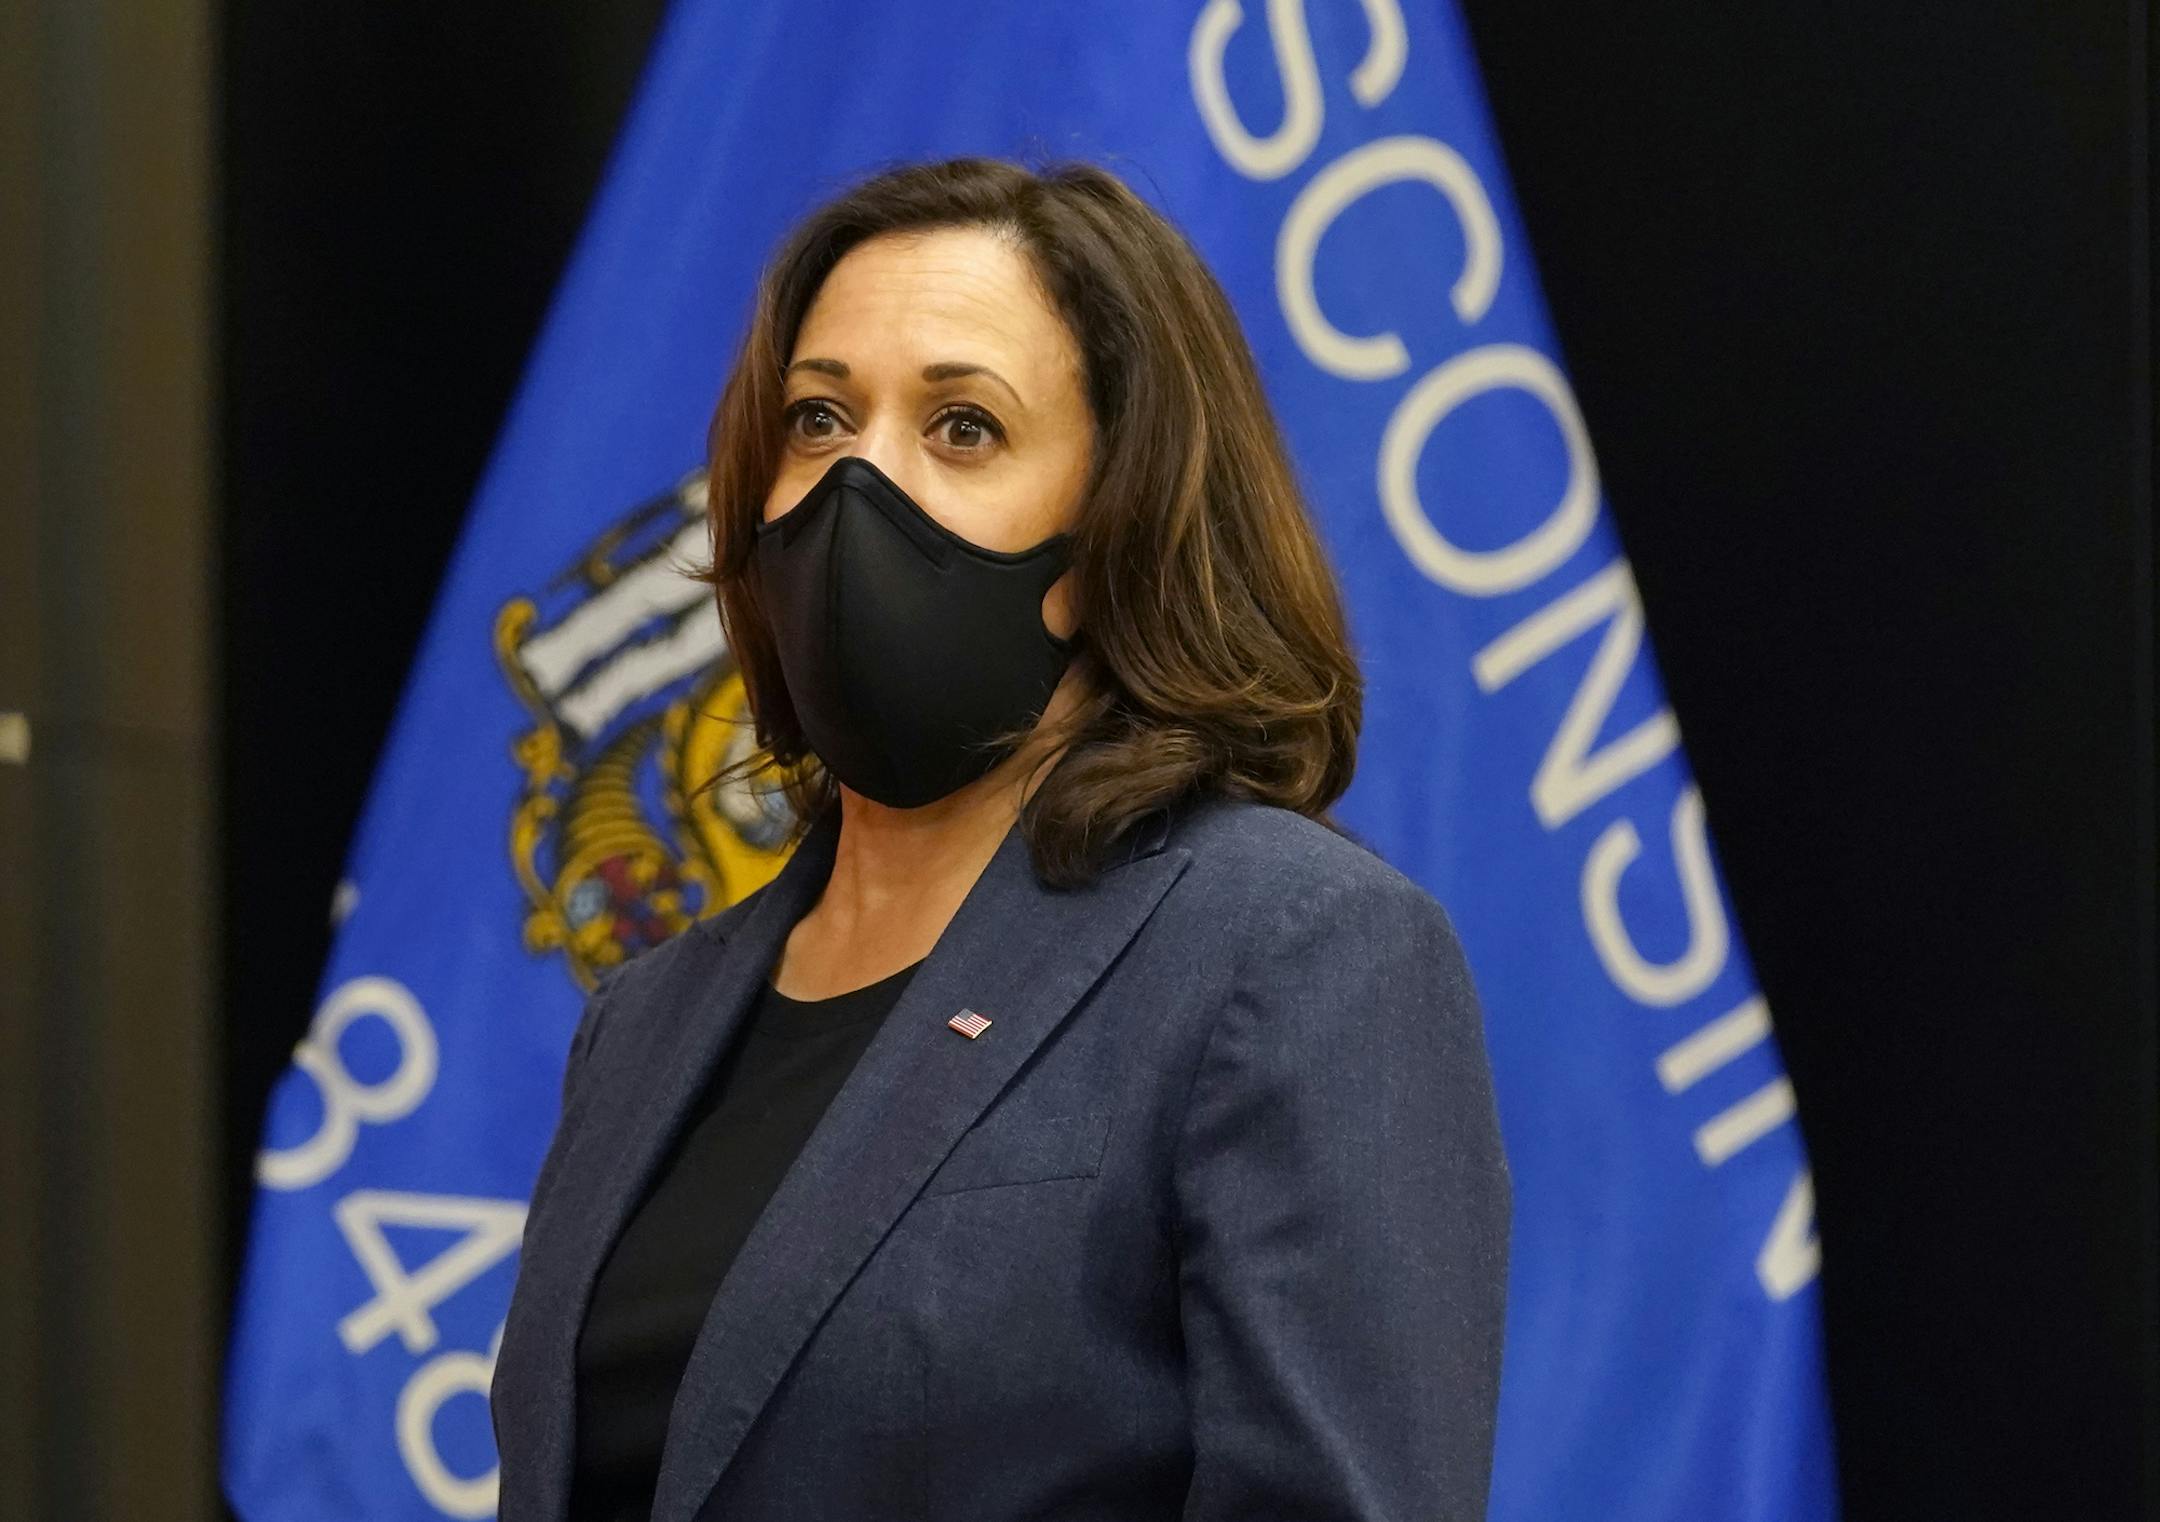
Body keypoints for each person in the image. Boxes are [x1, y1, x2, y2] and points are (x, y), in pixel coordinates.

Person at [491, 156, 1511, 1522]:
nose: (862, 486)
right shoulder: (647, 1018)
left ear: (1115, 525)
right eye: (817, 418)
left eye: (962, 426)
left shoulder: (1292, 955)